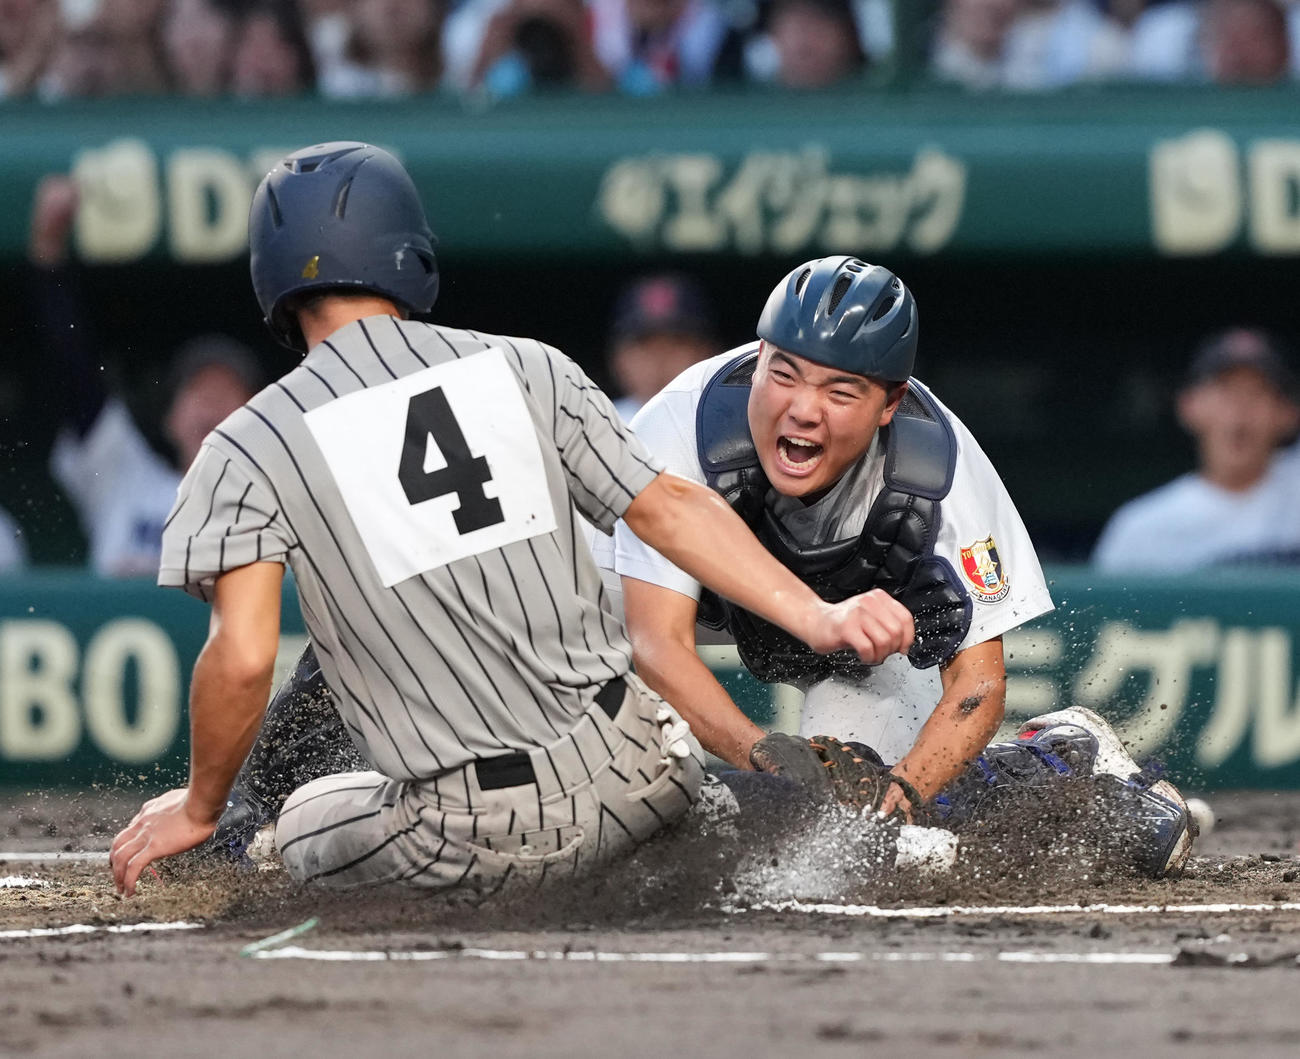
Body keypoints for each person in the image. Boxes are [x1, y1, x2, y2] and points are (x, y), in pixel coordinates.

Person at [109, 142, 924, 897]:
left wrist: (201, 800)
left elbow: (245, 655)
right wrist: (820, 612)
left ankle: (241, 846)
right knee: (653, 775)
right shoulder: (527, 363)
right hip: (644, 766)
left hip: (479, 832)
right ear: (407, 254)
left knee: (298, 818)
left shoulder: (248, 441)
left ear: (272, 279)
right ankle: (745, 824)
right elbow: (673, 508)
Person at [594, 255, 1194, 876]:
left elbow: (977, 686)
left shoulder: (940, 475)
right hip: (655, 611)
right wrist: (762, 756)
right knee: (607, 794)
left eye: (840, 390)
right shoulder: (679, 428)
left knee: (843, 846)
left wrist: (898, 799)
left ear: (890, 403)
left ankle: (1051, 762)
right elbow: (654, 643)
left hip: (855, 642)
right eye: (784, 374)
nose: (802, 409)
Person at [28, 174, 261, 576]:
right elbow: (74, 372)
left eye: (228, 392)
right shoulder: (124, 478)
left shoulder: (277, 507)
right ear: (170, 418)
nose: (211, 404)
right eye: (197, 390)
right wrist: (48, 259)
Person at [1093, 327, 1300, 573]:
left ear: (1288, 412)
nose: (1240, 409)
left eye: (1258, 392)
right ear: (1188, 405)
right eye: (1226, 391)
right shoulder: (1140, 529)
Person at [606, 273, 719, 422]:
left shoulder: (734, 424)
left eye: (677, 343)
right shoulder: (595, 427)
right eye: (645, 345)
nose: (660, 358)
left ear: (706, 353)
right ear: (619, 359)